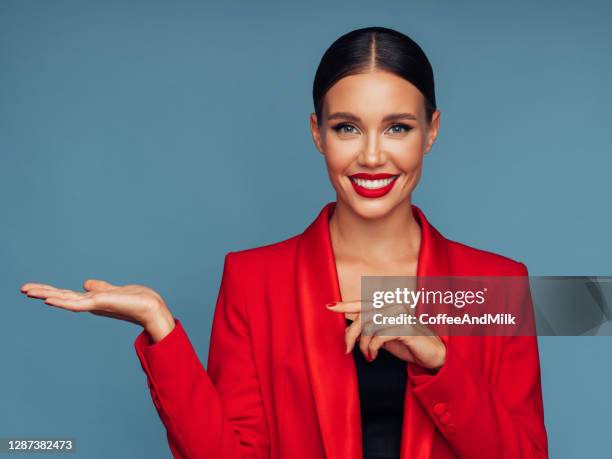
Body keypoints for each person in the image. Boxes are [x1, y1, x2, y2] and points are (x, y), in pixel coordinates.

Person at [20, 26, 548, 459]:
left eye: (397, 128)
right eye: (346, 128)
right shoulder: (254, 280)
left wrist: (440, 364)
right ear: (317, 133)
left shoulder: (496, 285)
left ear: (431, 131)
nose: (370, 156)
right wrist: (160, 326)